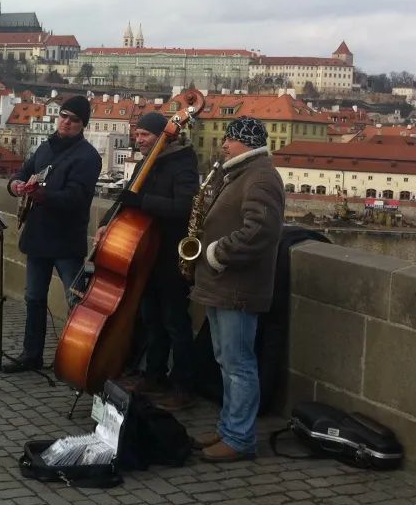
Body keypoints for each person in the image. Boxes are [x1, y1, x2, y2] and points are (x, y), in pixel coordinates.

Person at [189, 116, 284, 463]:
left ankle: (240, 438)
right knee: (226, 360)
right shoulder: (239, 173)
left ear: (247, 141)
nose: (224, 144)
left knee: (239, 364)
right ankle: (229, 427)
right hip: (222, 285)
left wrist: (216, 253)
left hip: (238, 287)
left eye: (230, 139)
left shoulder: (260, 176)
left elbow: (261, 230)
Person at [95, 111, 199, 410]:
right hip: (145, 253)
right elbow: (126, 198)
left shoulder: (183, 164)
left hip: (170, 254)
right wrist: (106, 222)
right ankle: (153, 375)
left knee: (175, 323)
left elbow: (183, 207)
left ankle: (183, 386)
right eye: (137, 135)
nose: (139, 140)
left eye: (145, 136)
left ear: (163, 137)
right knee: (152, 319)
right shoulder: (147, 161)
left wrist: (143, 202)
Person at [4, 95, 102, 372]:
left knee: (76, 301)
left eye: (74, 119)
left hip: (65, 239)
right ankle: (31, 354)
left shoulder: (88, 156)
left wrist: (41, 194)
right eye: (63, 115)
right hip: (38, 236)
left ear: (82, 125)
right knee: (33, 297)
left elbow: (76, 198)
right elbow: (19, 174)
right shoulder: (45, 148)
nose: (66, 122)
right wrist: (17, 187)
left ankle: (78, 359)